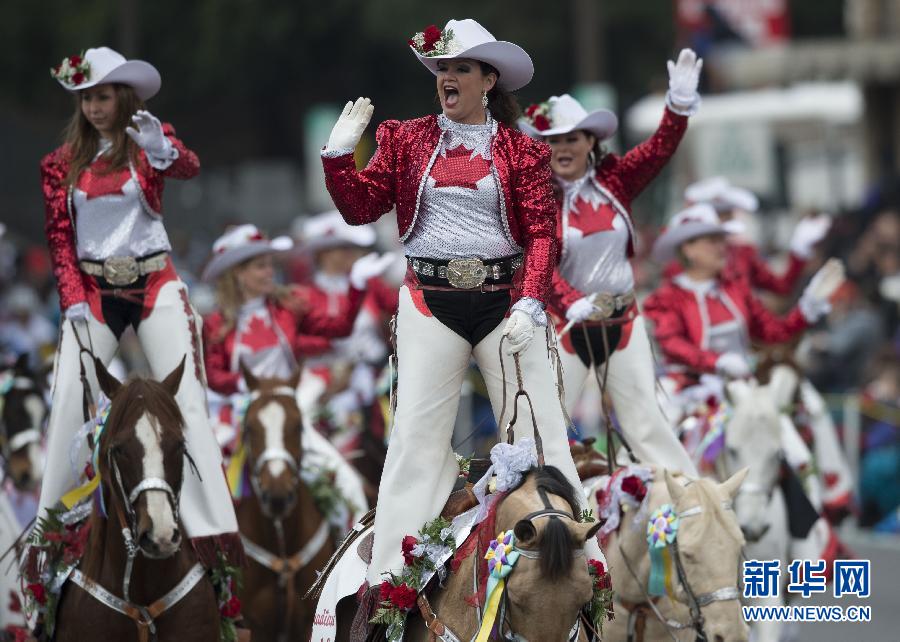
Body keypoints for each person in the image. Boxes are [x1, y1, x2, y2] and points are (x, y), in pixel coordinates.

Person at [320, 18, 603, 599]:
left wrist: (529, 302)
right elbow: (359, 210)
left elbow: (544, 234)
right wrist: (338, 156)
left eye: (460, 69)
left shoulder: (522, 149)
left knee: (543, 437)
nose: (447, 78)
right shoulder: (404, 138)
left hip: (504, 304)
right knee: (412, 446)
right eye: (441, 69)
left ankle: (585, 573)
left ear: (488, 79)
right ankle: (385, 594)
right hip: (430, 302)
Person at [39, 46, 241, 564]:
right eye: (85, 99)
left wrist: (161, 150)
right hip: (93, 292)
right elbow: (60, 239)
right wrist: (71, 301)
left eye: (102, 97)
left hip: (154, 283)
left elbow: (189, 169)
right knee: (66, 397)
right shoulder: (59, 164)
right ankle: (53, 532)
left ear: (122, 96)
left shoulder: (150, 137)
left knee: (187, 399)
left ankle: (211, 532)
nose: (93, 107)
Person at [517, 50, 703, 475]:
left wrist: (676, 109)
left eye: (572, 139)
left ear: (590, 142)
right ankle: (526, 519)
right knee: (541, 427)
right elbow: (535, 260)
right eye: (553, 141)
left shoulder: (615, 179)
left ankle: (695, 510)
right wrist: (568, 302)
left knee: (646, 423)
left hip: (622, 321)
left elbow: (657, 151)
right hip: (564, 327)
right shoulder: (534, 197)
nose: (562, 148)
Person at [200, 224, 393, 526]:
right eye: (260, 266)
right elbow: (213, 376)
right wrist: (246, 386)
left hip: (289, 415)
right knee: (206, 487)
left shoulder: (287, 309)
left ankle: (347, 564)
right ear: (238, 274)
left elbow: (340, 327)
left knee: (349, 486)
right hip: (239, 416)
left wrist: (355, 286)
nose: (269, 272)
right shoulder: (215, 322)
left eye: (269, 265)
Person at [294, 211, 399, 494]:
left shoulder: (370, 283)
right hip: (323, 377)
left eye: (350, 248)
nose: (347, 255)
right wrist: (329, 351)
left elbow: (399, 309)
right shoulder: (303, 294)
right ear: (322, 254)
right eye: (339, 249)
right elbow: (295, 339)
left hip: (375, 374)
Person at [667, 176, 832, 295]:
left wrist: (798, 249)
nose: (729, 218)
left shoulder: (744, 253)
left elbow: (781, 287)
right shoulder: (682, 260)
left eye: (728, 213)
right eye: (722, 213)